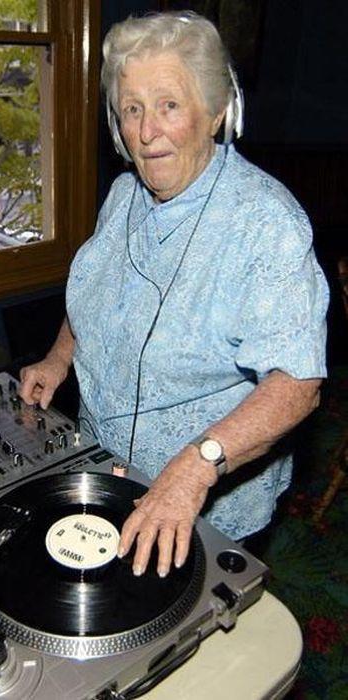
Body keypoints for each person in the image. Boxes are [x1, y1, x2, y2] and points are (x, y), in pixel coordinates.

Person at [19, 11, 328, 578]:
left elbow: (297, 384)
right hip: (104, 463)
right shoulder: (123, 195)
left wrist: (197, 465)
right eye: (132, 109)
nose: (146, 131)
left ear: (216, 112)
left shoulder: (267, 225)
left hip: (204, 497)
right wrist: (59, 357)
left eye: (169, 105)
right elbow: (95, 290)